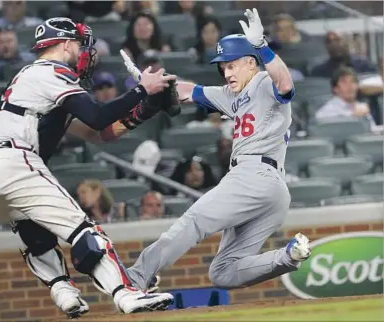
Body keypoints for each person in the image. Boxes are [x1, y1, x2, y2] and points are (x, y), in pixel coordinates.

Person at [0, 17, 177, 319]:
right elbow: (99, 116)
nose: (83, 51)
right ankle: (126, 294)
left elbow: (100, 134)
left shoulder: (35, 84)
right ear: (65, 44)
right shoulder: (50, 70)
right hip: (11, 162)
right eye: (78, 44)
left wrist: (146, 109)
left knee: (34, 234)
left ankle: (64, 293)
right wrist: (142, 89)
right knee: (83, 231)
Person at [123, 9, 311, 293]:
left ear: (250, 63)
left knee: (195, 221)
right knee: (222, 273)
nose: (227, 72)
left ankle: (138, 276)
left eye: (232, 65)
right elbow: (189, 91)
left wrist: (262, 47)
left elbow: (286, 86)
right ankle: (288, 256)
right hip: (272, 190)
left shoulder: (262, 81)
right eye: (223, 66)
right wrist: (151, 85)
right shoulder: (231, 94)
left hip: (253, 174)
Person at [310, 31, 377, 78]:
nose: (334, 45)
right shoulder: (318, 72)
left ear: (347, 42)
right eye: (329, 42)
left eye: (337, 40)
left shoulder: (365, 66)